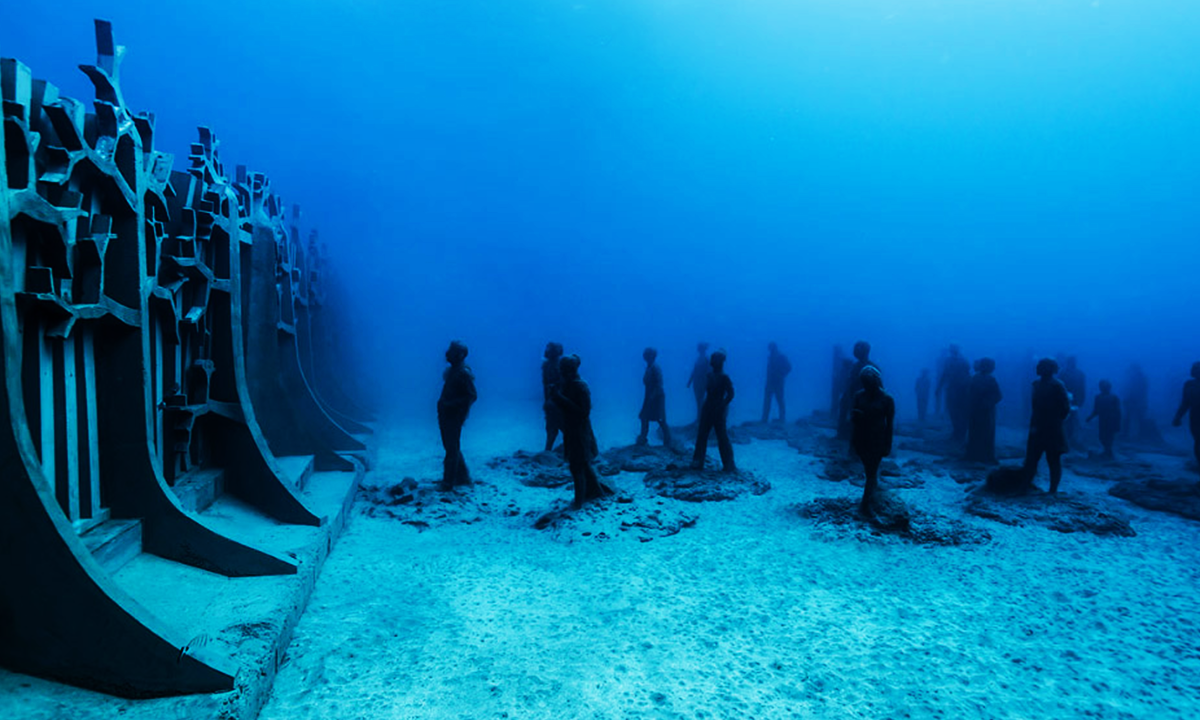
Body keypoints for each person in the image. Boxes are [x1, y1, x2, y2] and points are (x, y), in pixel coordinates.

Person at [552, 354, 612, 507]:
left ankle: (579, 502)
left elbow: (583, 412)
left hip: (579, 431)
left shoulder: (580, 386)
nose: (559, 372)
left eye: (562, 369)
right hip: (573, 430)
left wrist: (559, 398)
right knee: (582, 463)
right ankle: (596, 492)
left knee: (577, 465)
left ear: (569, 370)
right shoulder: (571, 384)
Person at [1023, 358, 1071, 494]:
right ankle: (1026, 484)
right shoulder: (1036, 384)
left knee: (1053, 458)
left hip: (1051, 427)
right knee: (1032, 458)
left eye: (1040, 366)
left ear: (1049, 369)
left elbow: (1065, 407)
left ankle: (1053, 489)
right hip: (1038, 425)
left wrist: (1056, 420)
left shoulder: (1057, 385)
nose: (1037, 368)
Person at [851, 366, 895, 514]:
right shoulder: (859, 396)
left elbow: (890, 425)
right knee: (869, 472)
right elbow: (854, 420)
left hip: (877, 440)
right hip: (862, 439)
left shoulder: (887, 399)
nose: (866, 385)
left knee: (871, 472)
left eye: (868, 382)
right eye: (864, 382)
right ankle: (871, 501)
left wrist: (888, 445)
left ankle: (866, 504)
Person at [437, 341, 477, 490]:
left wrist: (451, 405)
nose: (447, 353)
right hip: (446, 414)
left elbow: (472, 395)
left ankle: (448, 483)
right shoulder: (453, 371)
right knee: (451, 446)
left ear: (460, 355)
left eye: (452, 351)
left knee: (451, 448)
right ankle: (462, 477)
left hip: (453, 416)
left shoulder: (462, 373)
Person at [692, 349, 736, 472]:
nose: (711, 362)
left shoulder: (724, 377)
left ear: (719, 362)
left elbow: (731, 394)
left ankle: (729, 464)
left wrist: (723, 405)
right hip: (708, 408)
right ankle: (697, 462)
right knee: (702, 435)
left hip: (717, 409)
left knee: (722, 437)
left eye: (713, 360)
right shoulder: (709, 375)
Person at [964, 358, 1002, 464]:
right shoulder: (991, 379)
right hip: (987, 411)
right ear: (989, 367)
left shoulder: (974, 378)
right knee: (987, 433)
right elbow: (998, 396)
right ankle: (987, 456)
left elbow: (969, 394)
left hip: (974, 410)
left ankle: (973, 454)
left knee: (974, 432)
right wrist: (988, 403)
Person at [838, 341, 879, 438]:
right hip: (851, 397)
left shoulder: (871, 368)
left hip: (862, 399)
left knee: (859, 417)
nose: (855, 351)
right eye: (855, 348)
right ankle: (842, 433)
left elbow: (877, 387)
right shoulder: (854, 366)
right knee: (845, 407)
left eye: (858, 348)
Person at [937, 344, 971, 442]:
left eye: (954, 349)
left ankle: (961, 434)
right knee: (952, 411)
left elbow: (967, 374)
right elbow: (944, 374)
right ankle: (956, 433)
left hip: (961, 389)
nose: (952, 351)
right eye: (951, 349)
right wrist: (939, 387)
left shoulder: (963, 361)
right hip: (952, 389)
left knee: (961, 412)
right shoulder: (948, 361)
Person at [637, 347, 671, 446]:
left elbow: (659, 383)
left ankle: (668, 441)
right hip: (649, 396)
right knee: (645, 417)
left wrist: (653, 396)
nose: (645, 356)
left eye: (647, 354)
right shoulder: (649, 367)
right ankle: (643, 438)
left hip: (657, 397)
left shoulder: (655, 368)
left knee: (660, 419)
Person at [1172, 362, 1200, 469]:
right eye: (1196, 369)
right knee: (1198, 440)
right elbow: (1185, 402)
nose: (1198, 371)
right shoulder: (1189, 384)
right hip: (1195, 417)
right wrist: (1178, 417)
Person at [1087, 379, 1122, 460]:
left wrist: (1118, 424)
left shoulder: (1114, 397)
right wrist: (1090, 417)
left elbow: (1118, 411)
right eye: (1102, 386)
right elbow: (1096, 410)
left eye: (1105, 386)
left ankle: (1108, 452)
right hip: (1102, 421)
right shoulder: (1098, 397)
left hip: (1111, 421)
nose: (1103, 388)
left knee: (1109, 437)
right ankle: (1107, 451)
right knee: (1102, 437)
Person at [541, 342, 565, 452]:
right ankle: (548, 450)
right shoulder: (546, 366)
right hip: (553, 401)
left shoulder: (561, 365)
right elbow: (545, 385)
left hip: (559, 401)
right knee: (551, 427)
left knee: (564, 426)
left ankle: (549, 450)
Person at [761, 342, 792, 423]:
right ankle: (764, 419)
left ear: (774, 348)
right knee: (767, 401)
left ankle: (782, 418)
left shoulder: (781, 357)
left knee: (779, 400)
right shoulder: (770, 357)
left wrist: (781, 375)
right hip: (770, 382)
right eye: (769, 348)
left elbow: (789, 367)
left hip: (778, 383)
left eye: (771, 348)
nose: (770, 350)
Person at [1061, 356, 1087, 450]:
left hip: (1065, 400)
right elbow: (1083, 389)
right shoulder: (1080, 374)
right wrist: (1081, 400)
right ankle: (1069, 440)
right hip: (1074, 400)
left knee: (1066, 420)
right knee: (1071, 419)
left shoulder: (1063, 372)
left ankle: (1067, 440)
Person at [1122, 363, 1149, 440]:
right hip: (1138, 401)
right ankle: (1139, 434)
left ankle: (1127, 434)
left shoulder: (1137, 378)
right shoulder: (1141, 377)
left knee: (1132, 417)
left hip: (1136, 401)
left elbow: (1133, 390)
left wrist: (1127, 398)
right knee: (1136, 418)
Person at [686, 342, 710, 425]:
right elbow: (694, 370)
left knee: (701, 401)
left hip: (703, 382)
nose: (698, 349)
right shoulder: (698, 359)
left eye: (699, 348)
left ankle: (702, 418)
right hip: (696, 382)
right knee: (698, 401)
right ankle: (699, 418)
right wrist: (689, 381)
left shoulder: (707, 359)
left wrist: (709, 383)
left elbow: (709, 371)